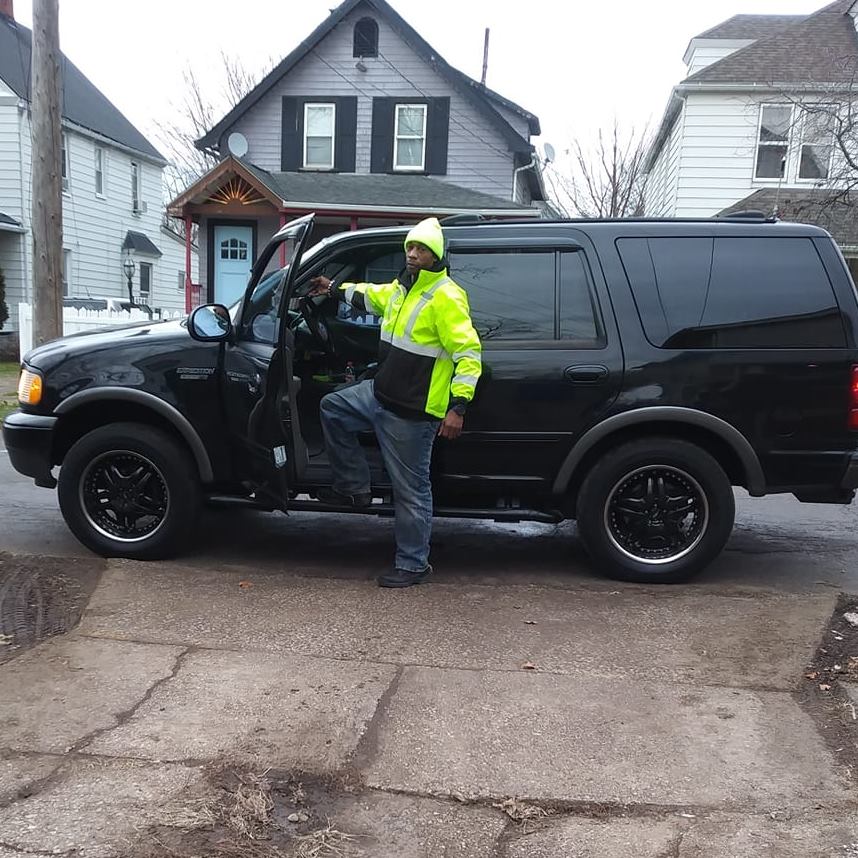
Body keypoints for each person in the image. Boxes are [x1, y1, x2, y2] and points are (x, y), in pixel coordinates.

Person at [308, 217, 482, 588]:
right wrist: (332, 288)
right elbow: (369, 295)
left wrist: (458, 406)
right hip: (379, 394)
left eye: (421, 249)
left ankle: (413, 564)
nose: (412, 254)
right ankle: (354, 489)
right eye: (410, 247)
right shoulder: (402, 289)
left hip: (412, 412)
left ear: (435, 256)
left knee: (411, 491)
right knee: (332, 408)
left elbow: (468, 354)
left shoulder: (446, 296)